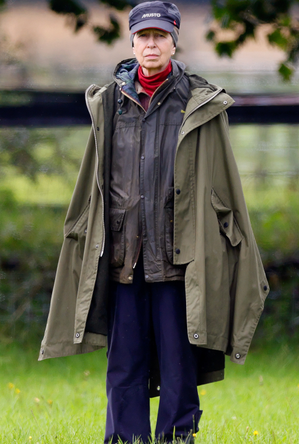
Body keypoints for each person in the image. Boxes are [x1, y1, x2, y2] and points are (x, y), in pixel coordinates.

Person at [39, 2, 269, 443]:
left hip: (179, 251)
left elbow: (223, 186)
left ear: (174, 41)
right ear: (131, 41)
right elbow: (95, 182)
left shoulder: (199, 102)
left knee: (178, 353)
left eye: (160, 36)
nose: (151, 44)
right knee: (124, 357)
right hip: (124, 251)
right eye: (143, 36)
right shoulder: (110, 102)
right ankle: (126, 437)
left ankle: (177, 435)